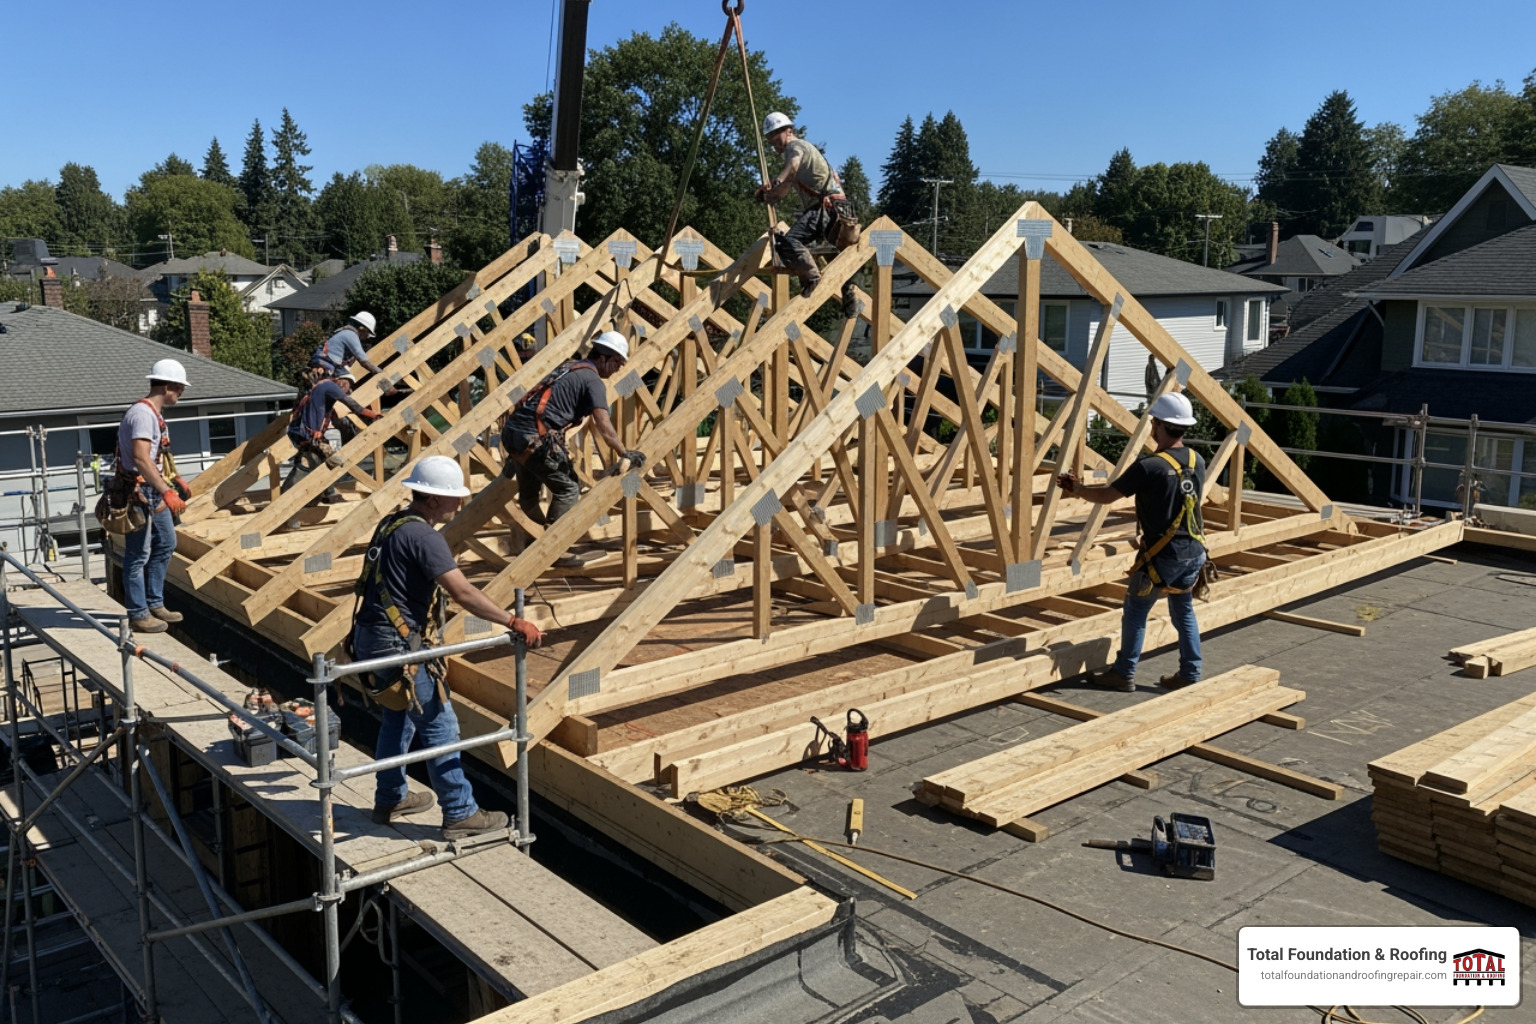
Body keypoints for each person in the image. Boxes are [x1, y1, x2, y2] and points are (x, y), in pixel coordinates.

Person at [351, 455, 544, 839]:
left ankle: (390, 797)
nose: (460, 502)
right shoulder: (425, 537)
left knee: (398, 718)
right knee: (441, 724)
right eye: (454, 496)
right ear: (434, 499)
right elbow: (463, 592)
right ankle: (459, 812)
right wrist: (511, 621)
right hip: (397, 644)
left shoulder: (392, 523)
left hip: (369, 636)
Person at [1057, 392, 1208, 691]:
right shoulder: (1197, 460)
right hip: (1194, 551)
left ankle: (1124, 672)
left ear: (1160, 425)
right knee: (1183, 610)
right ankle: (1190, 672)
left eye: (1154, 422)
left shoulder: (1149, 466)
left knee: (1136, 611)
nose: (1152, 426)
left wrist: (1077, 489)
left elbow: (1106, 496)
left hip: (1163, 556)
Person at [498, 331, 645, 560]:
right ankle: (551, 550)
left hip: (513, 434)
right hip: (534, 439)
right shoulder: (593, 381)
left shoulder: (569, 368)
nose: (619, 368)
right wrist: (624, 452)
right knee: (568, 490)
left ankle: (534, 544)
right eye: (617, 362)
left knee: (529, 495)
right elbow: (603, 424)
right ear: (604, 357)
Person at [754, 112, 860, 318]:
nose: (774, 144)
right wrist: (767, 195)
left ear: (788, 131)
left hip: (824, 209)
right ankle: (849, 294)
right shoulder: (804, 152)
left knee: (788, 242)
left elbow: (792, 166)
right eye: (770, 140)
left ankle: (812, 279)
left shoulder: (796, 146)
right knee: (835, 256)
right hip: (838, 210)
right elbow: (782, 190)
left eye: (775, 137)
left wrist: (776, 181)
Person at [117, 358, 192, 634]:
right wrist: (166, 491)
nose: (181, 392)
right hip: (138, 491)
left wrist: (174, 478)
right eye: (179, 388)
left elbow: (157, 456)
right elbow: (141, 458)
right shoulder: (142, 414)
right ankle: (138, 613)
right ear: (167, 386)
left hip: (151, 488)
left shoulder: (154, 414)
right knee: (138, 554)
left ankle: (154, 603)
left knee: (166, 542)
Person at [283, 371, 379, 504]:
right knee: (331, 461)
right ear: (339, 380)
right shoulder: (330, 386)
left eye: (348, 386)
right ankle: (291, 498)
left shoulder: (320, 392)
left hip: (302, 434)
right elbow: (354, 406)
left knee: (317, 463)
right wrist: (373, 415)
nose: (346, 388)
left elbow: (327, 415)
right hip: (308, 435)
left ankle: (323, 495)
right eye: (346, 384)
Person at [310, 311, 383, 380]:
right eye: (368, 333)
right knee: (347, 379)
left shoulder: (345, 332)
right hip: (328, 360)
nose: (367, 337)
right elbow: (364, 361)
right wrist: (380, 372)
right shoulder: (351, 335)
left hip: (323, 359)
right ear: (362, 329)